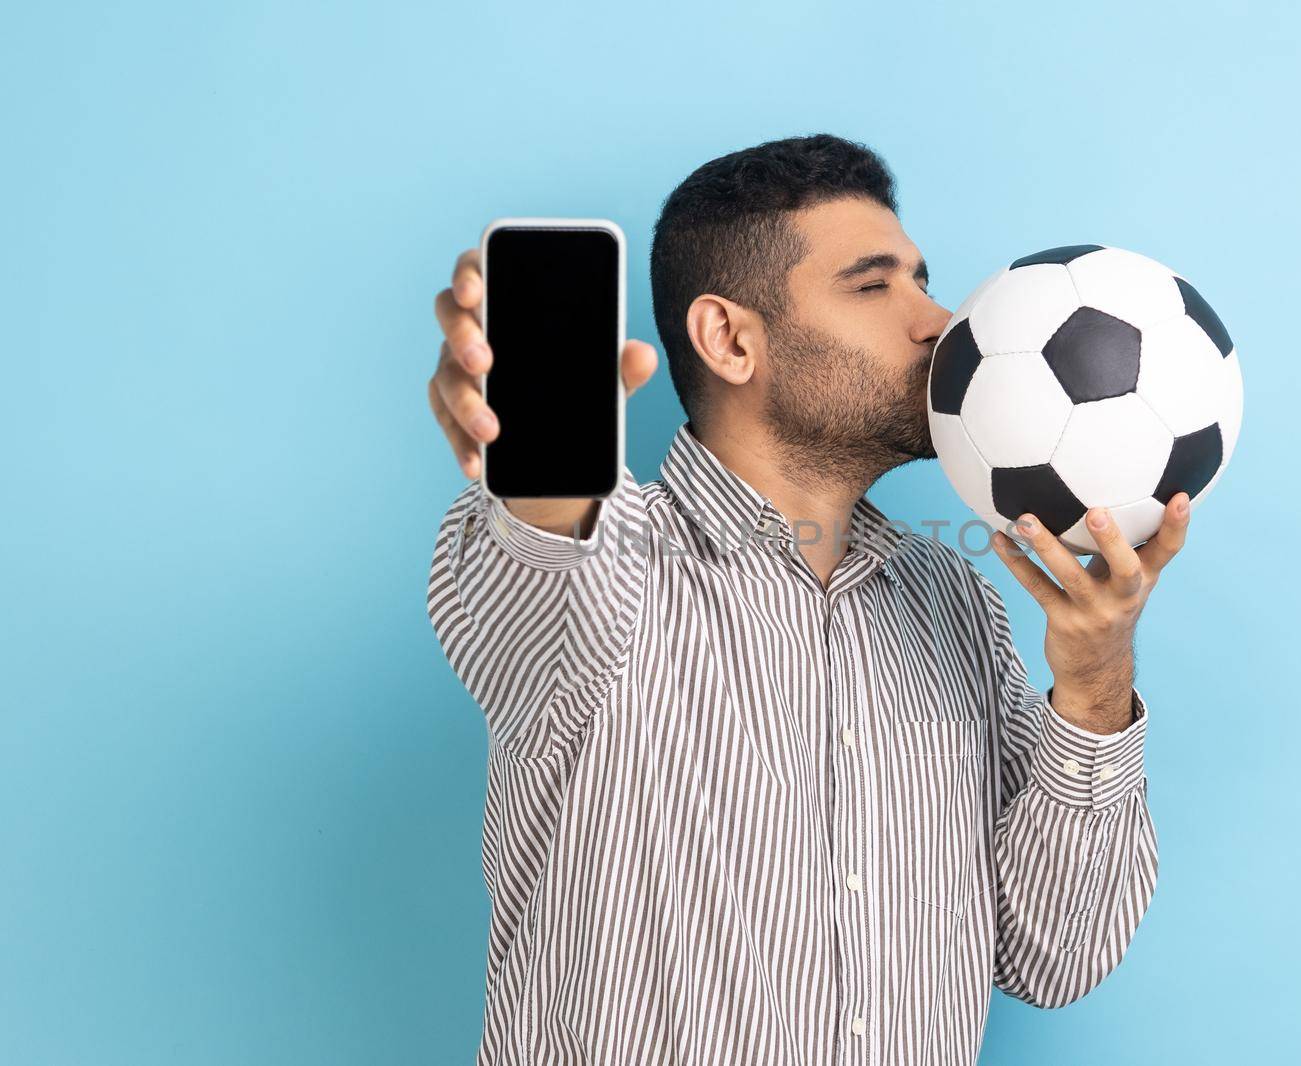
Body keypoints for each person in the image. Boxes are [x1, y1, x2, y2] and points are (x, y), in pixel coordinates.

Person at [424, 133, 1190, 1066]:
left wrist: (1094, 684)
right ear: (731, 341)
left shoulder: (954, 602)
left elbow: (1054, 955)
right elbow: (547, 542)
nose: (939, 320)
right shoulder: (610, 568)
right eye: (874, 287)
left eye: (920, 279)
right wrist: (526, 415)